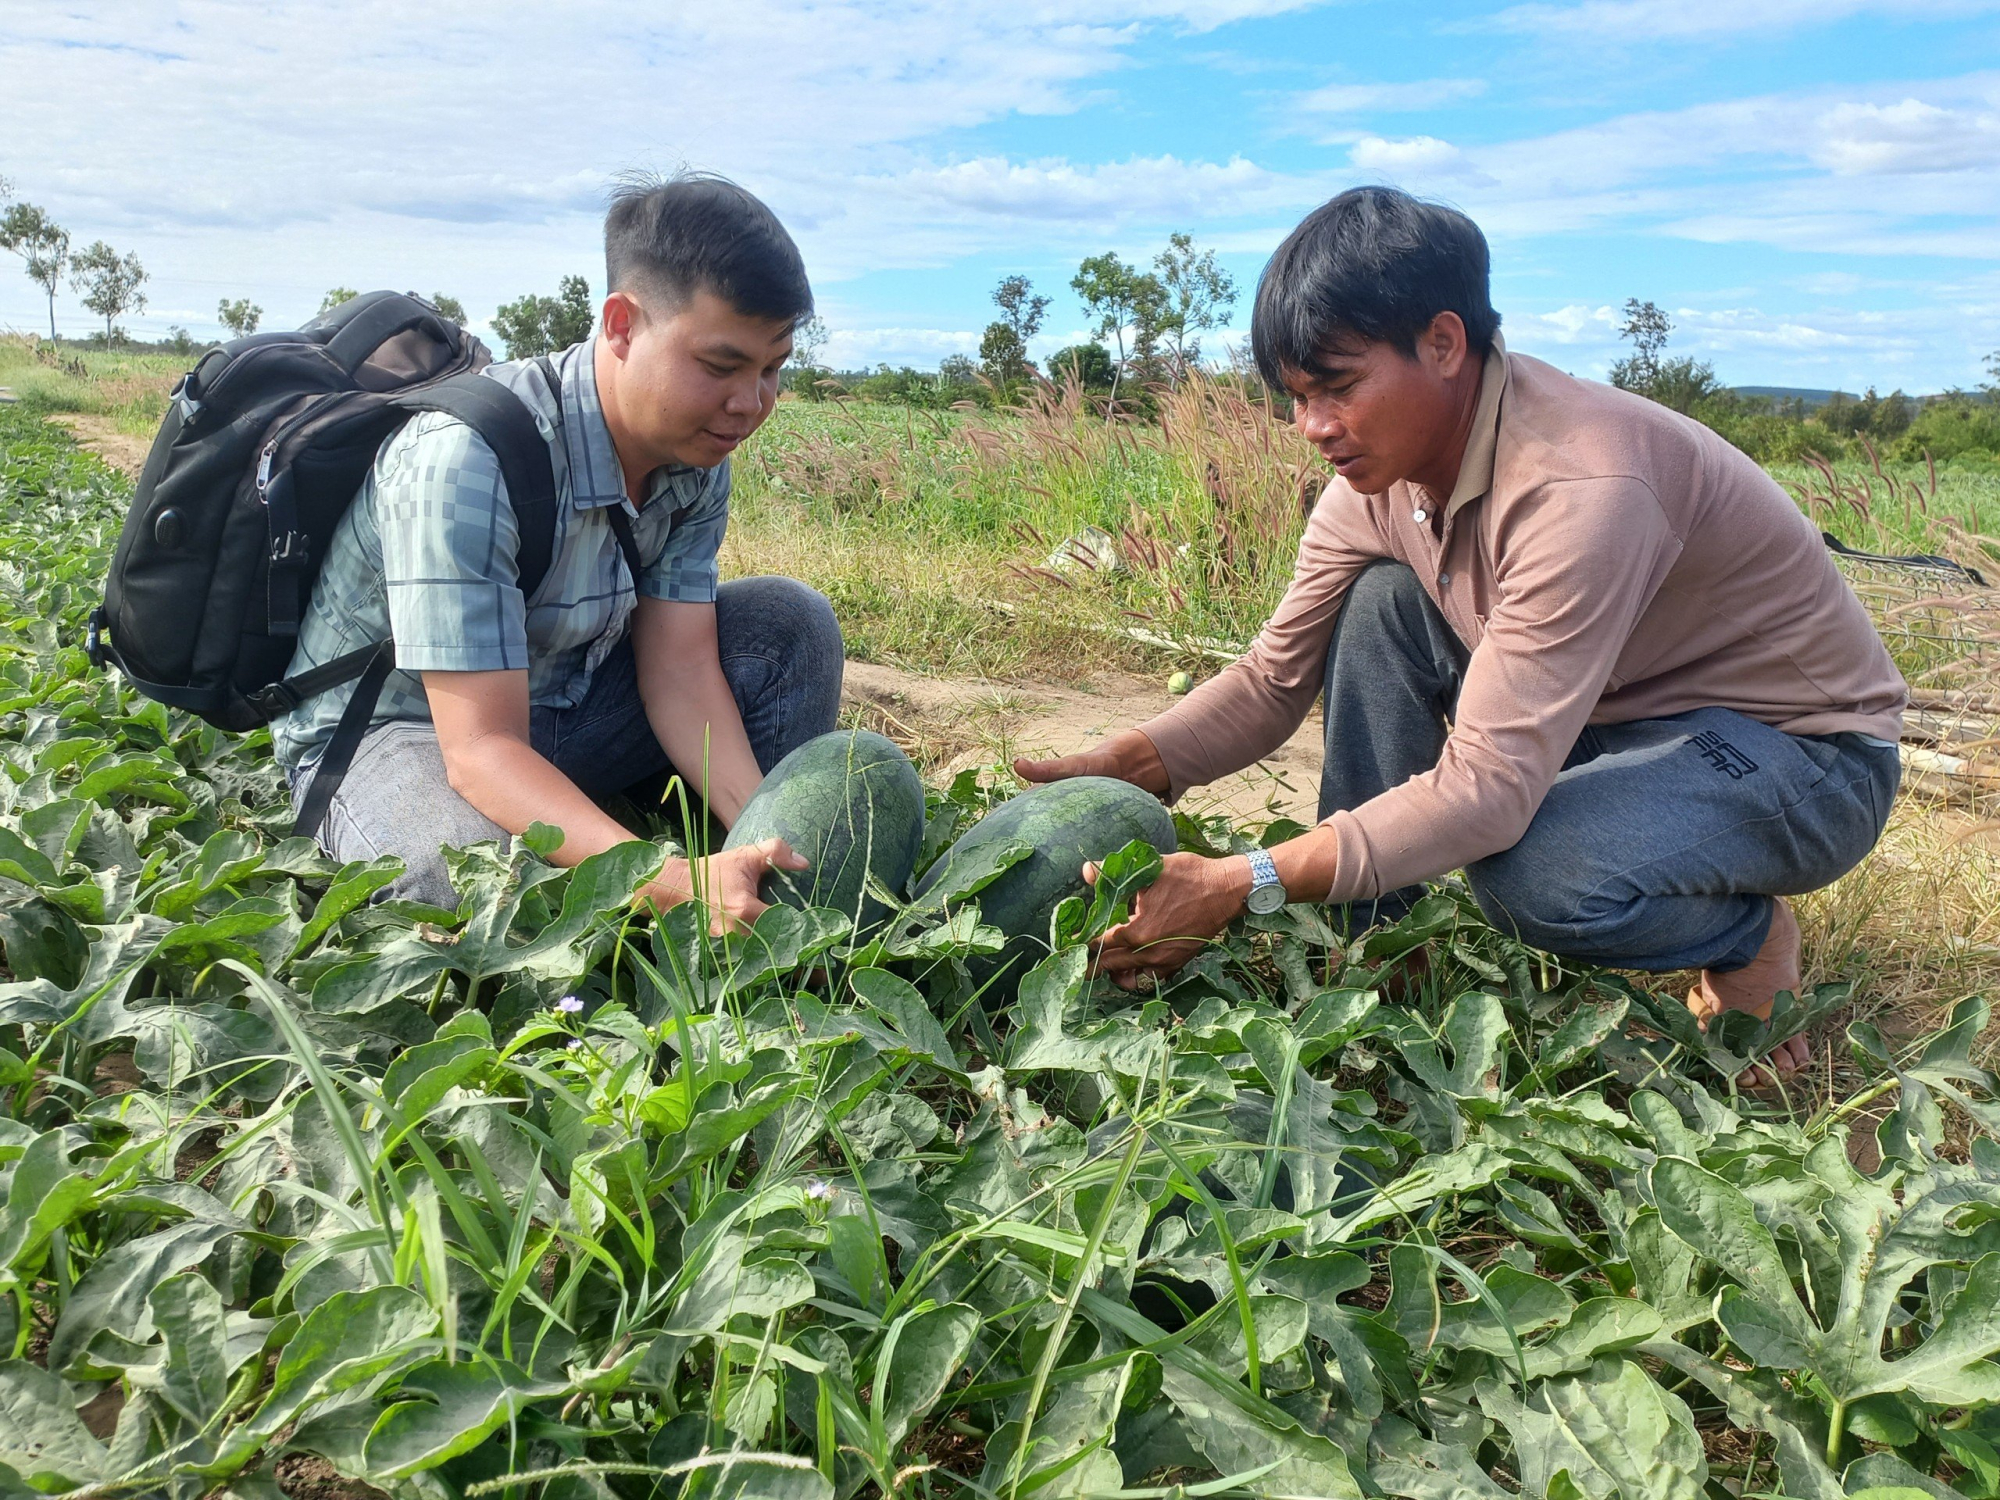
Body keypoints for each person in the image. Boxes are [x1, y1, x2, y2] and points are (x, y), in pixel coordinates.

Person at [1017, 187, 1905, 1085]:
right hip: (1606, 716)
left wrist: (1236, 881)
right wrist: (1118, 770)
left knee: (1535, 877)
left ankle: (1748, 935)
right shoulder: (1375, 482)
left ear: (1443, 343)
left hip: (1799, 756)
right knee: (1379, 605)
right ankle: (1373, 941)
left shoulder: (1581, 484)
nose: (1313, 428)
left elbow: (1486, 792)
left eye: (1338, 387)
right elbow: (1271, 679)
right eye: (1296, 398)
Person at [273, 172, 843, 928]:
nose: (750, 403)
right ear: (621, 326)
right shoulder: (465, 459)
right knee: (474, 892)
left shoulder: (696, 456)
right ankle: (635, 851)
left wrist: (765, 836)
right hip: (406, 731)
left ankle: (731, 864)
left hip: (559, 705)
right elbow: (478, 748)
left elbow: (679, 669)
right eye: (720, 366)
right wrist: (660, 878)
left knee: (789, 625)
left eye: (772, 370)